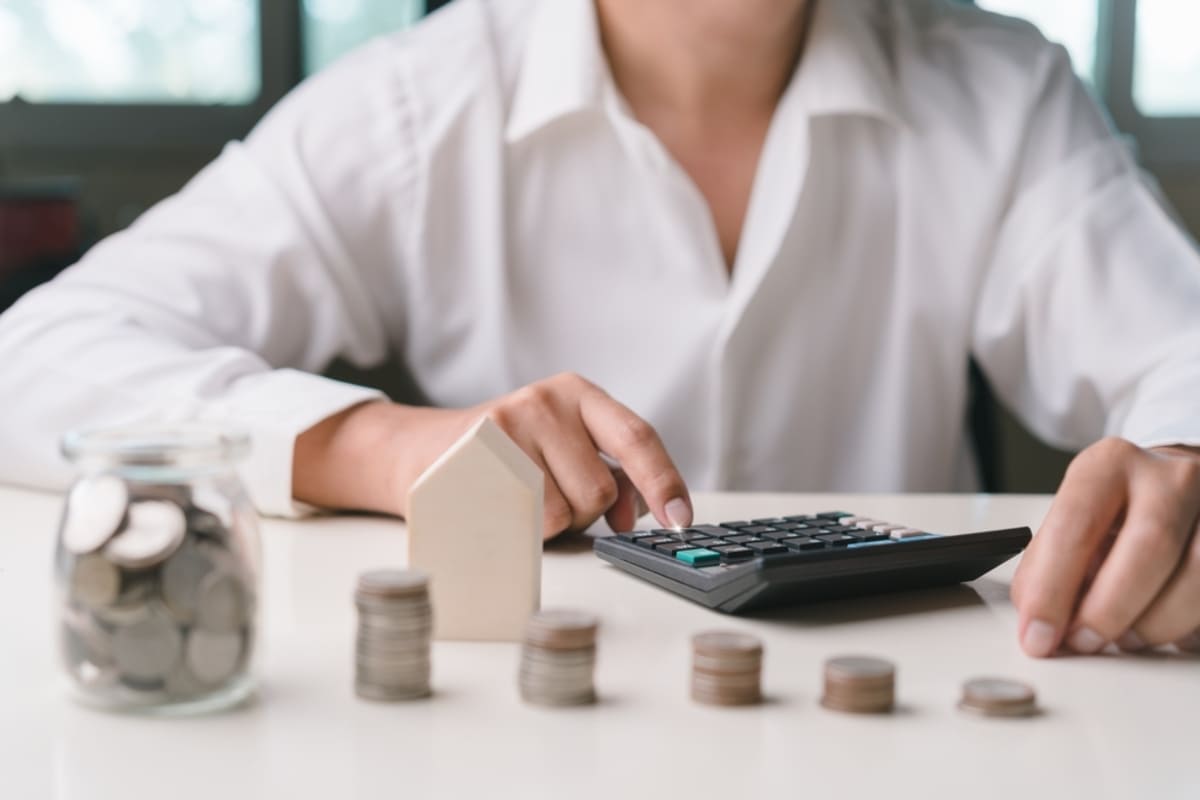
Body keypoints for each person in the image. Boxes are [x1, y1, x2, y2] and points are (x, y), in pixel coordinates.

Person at [0, 0, 1198, 659]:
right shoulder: (422, 101)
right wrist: (392, 445)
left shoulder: (1003, 90)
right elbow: (39, 356)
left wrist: (1183, 473)